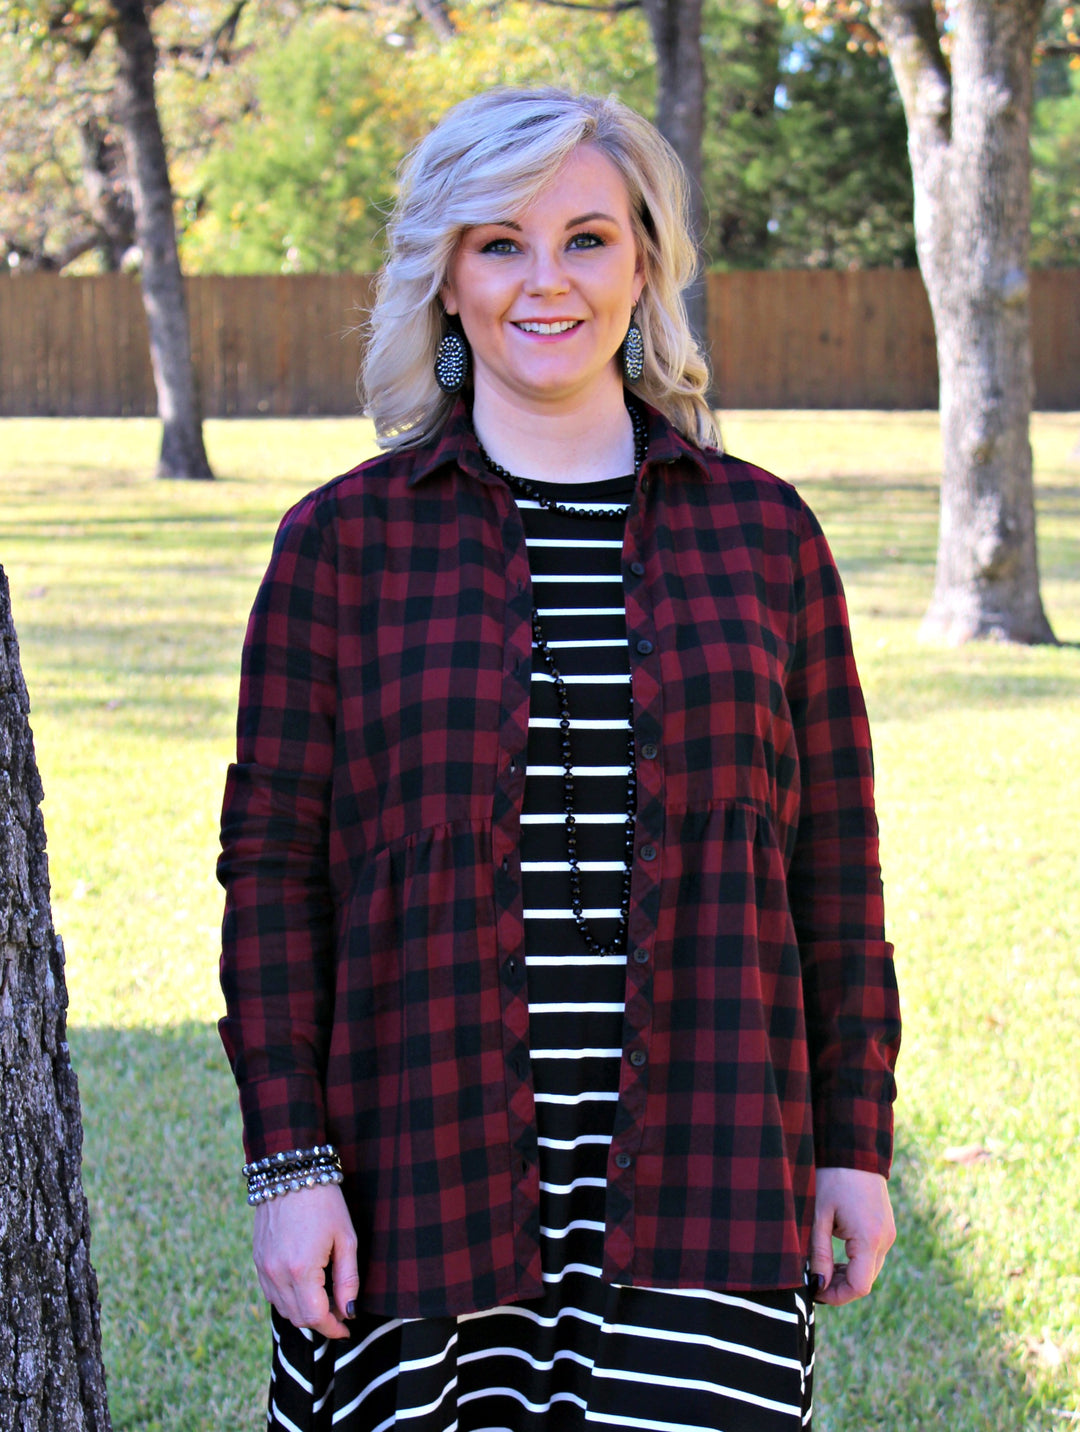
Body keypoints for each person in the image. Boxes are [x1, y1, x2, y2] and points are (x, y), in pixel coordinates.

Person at [218, 86, 900, 1432]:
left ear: (644, 263)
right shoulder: (341, 545)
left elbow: (834, 866)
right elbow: (272, 877)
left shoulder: (764, 537)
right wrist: (291, 1167)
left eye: (587, 239)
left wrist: (854, 1145)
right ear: (446, 277)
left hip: (713, 1170)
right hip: (417, 1167)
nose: (549, 284)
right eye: (501, 243)